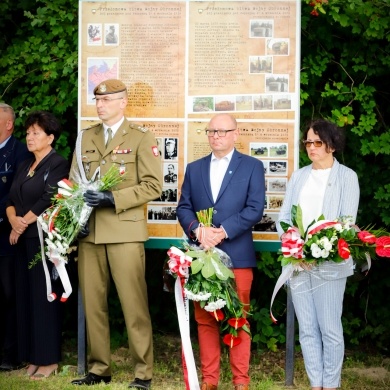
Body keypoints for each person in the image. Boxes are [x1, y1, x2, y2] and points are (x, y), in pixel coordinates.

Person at [70, 79, 162, 389]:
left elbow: (153, 185)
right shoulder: (85, 138)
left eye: (107, 100)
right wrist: (74, 219)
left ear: (123, 103)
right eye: (98, 100)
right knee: (93, 304)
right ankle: (99, 368)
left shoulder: (139, 137)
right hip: (90, 233)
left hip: (124, 231)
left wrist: (113, 199)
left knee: (133, 304)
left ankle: (143, 373)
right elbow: (73, 185)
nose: (100, 105)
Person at [176, 113, 266, 390]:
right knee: (205, 321)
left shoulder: (251, 166)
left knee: (238, 319)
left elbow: (255, 208)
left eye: (223, 131)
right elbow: (183, 207)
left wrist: (223, 230)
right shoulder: (195, 168)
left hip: (237, 254)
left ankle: (241, 381)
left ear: (236, 134)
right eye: (212, 131)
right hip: (202, 255)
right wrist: (197, 230)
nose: (216, 136)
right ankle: (209, 381)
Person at [277, 119, 360, 390]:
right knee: (308, 328)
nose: (311, 147)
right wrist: (294, 247)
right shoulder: (299, 176)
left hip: (331, 263)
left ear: (332, 145)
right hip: (298, 263)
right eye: (308, 142)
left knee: (330, 329)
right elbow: (284, 218)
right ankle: (316, 384)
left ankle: (331, 384)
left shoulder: (346, 177)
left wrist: (317, 250)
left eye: (317, 142)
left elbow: (345, 223)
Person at [6, 110, 69, 379]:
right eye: (28, 132)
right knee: (25, 298)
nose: (30, 137)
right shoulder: (25, 164)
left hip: (44, 240)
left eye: (36, 133)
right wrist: (13, 220)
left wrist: (23, 223)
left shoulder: (57, 163)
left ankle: (48, 359)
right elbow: (10, 197)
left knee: (44, 298)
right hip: (21, 239)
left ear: (50, 137)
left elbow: (49, 197)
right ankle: (32, 355)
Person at [0, 103, 31, 371]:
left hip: (7, 235)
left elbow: (15, 193)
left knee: (9, 294)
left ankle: (10, 354)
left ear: (8, 124)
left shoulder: (20, 151)